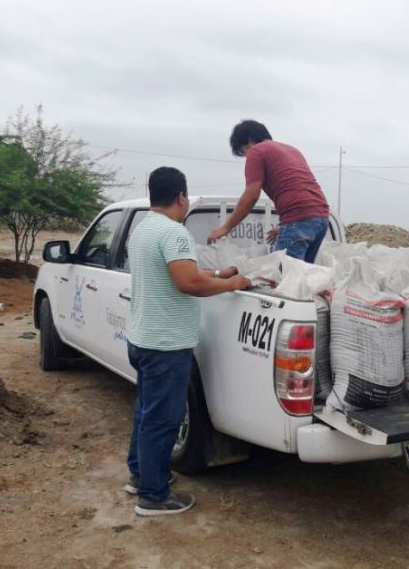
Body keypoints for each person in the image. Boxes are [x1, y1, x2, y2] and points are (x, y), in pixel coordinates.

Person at [125, 166, 251, 517]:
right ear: (181, 197)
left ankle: (139, 475)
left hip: (143, 338)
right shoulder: (175, 233)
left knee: (146, 413)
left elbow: (181, 274)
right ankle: (153, 495)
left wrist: (216, 273)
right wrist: (233, 285)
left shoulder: (143, 230)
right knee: (162, 419)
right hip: (166, 344)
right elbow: (187, 283)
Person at [206, 120, 330, 263]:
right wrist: (286, 228)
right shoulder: (292, 150)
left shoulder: (256, 151)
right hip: (321, 217)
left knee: (284, 277)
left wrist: (225, 228)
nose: (246, 156)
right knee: (302, 277)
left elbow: (252, 195)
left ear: (249, 140)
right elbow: (298, 187)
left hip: (299, 217)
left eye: (243, 151)